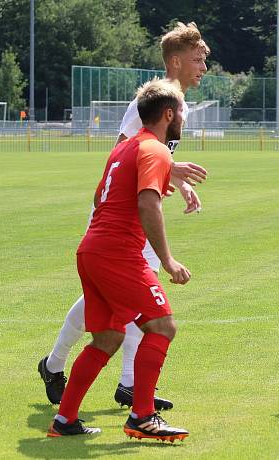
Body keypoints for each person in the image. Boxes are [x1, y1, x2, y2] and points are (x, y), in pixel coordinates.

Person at [37, 22, 210, 410]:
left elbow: (152, 158)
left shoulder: (176, 103)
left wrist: (177, 179)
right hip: (118, 216)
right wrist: (173, 170)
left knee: (119, 301)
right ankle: (65, 368)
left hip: (135, 215)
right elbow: (122, 152)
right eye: (198, 60)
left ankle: (108, 379)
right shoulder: (151, 102)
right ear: (176, 61)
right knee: (134, 301)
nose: (203, 67)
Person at [47, 78, 190, 440]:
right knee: (162, 326)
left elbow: (100, 199)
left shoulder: (124, 149)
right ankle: (142, 416)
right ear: (168, 114)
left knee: (108, 337)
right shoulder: (157, 151)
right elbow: (147, 204)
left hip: (91, 249)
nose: (184, 121)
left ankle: (64, 421)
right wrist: (168, 260)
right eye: (182, 114)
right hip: (118, 254)